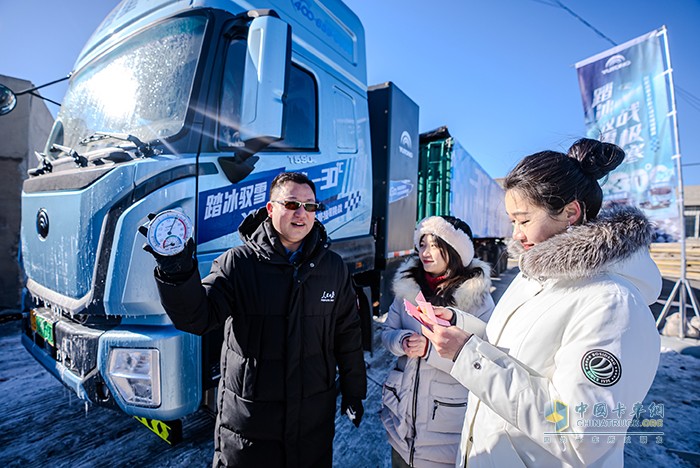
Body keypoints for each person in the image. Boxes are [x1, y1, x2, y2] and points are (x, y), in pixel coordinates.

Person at [422, 138, 662, 467]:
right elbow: (515, 351)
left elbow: (579, 433)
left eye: (523, 220)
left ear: (570, 213)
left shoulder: (612, 304)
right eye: (512, 222)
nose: (516, 234)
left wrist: (468, 357)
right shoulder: (533, 275)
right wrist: (459, 325)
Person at [144, 172, 367, 467]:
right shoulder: (238, 263)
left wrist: (354, 390)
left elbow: (347, 334)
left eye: (310, 206)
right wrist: (177, 272)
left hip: (311, 425)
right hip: (250, 429)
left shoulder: (334, 268)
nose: (302, 213)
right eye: (291, 204)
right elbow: (198, 319)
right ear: (270, 209)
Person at [381, 215, 495, 468]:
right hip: (401, 423)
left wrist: (429, 350)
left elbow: (487, 358)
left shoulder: (478, 300)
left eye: (435, 244)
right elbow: (387, 334)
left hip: (445, 427)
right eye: (422, 244)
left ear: (455, 250)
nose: (425, 252)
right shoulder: (408, 291)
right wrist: (402, 340)